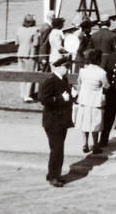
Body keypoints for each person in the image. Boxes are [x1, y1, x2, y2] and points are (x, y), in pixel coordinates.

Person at [37, 55, 73, 187]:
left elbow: (66, 97)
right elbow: (43, 99)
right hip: (53, 121)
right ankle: (54, 177)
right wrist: (60, 98)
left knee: (57, 149)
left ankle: (52, 173)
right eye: (66, 67)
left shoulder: (63, 80)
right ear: (59, 67)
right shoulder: (51, 81)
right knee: (57, 149)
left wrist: (71, 96)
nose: (68, 69)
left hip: (61, 121)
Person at [74, 48, 108, 154]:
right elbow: (106, 85)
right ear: (99, 60)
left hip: (84, 100)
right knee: (95, 124)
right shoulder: (102, 73)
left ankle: (85, 144)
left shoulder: (83, 71)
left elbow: (79, 82)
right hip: (95, 101)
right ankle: (95, 145)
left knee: (84, 123)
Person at [16, 13, 39, 102]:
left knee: (22, 75)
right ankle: (27, 95)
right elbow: (36, 43)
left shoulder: (19, 29)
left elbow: (17, 42)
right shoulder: (35, 30)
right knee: (30, 75)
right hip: (30, 54)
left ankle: (22, 94)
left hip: (20, 53)